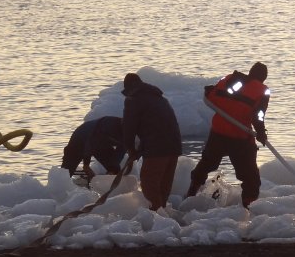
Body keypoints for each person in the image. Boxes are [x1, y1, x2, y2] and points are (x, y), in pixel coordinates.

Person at [186, 62, 270, 208]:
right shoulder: (262, 91)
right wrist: (261, 133)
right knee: (250, 176)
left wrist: (210, 90)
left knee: (207, 163)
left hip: (218, 132)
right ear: (263, 78)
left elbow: (212, 96)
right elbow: (259, 116)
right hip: (240, 137)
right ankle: (248, 206)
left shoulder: (231, 79)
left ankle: (191, 192)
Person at [121, 73, 182, 211]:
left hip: (157, 147)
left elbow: (129, 128)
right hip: (174, 145)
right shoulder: (159, 98)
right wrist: (140, 149)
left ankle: (157, 217)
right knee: (163, 183)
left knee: (149, 181)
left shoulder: (134, 99)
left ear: (129, 89)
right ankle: (163, 213)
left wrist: (130, 149)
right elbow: (155, 126)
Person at [61, 116, 126, 181]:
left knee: (115, 169)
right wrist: (86, 165)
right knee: (66, 173)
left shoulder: (129, 134)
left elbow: (120, 152)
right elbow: (91, 143)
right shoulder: (110, 124)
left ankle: (103, 184)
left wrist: (113, 169)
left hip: (102, 144)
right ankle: (61, 185)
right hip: (80, 139)